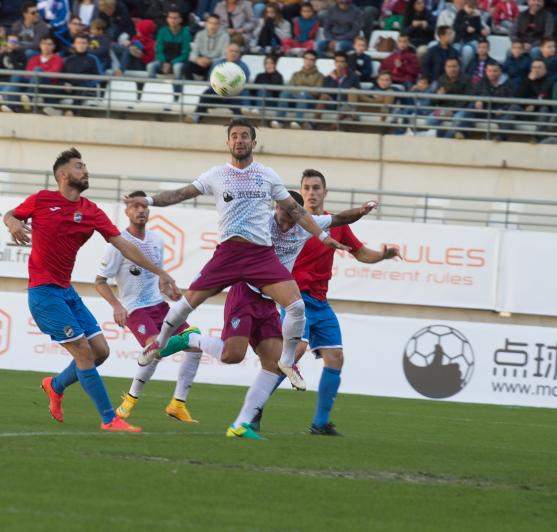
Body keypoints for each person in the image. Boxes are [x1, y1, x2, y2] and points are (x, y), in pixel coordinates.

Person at [124, 118, 351, 391]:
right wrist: (148, 201)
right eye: (234, 135)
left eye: (245, 135)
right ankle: (159, 344)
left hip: (260, 254)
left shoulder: (267, 175)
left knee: (296, 304)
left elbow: (297, 211)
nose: (240, 140)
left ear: (253, 142)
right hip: (229, 252)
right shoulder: (216, 175)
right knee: (189, 302)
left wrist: (324, 237)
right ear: (228, 142)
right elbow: (180, 194)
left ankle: (288, 362)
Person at [165, 190, 380, 438]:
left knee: (273, 364)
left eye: (291, 217)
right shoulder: (260, 221)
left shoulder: (305, 224)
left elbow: (341, 218)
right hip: (245, 292)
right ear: (275, 208)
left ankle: (241, 425)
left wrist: (361, 211)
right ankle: (191, 339)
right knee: (232, 355)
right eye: (281, 212)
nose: (285, 222)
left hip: (270, 300)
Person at [3, 148, 180, 433]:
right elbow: (11, 215)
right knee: (84, 352)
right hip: (44, 293)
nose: (85, 171)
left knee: (100, 351)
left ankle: (55, 385)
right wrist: (12, 222)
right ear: (62, 175)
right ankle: (109, 418)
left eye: (85, 166)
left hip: (66, 291)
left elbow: (124, 245)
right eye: (78, 166)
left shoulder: (91, 211)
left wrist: (160, 271)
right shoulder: (41, 200)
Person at [261, 169, 400, 436]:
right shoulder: (292, 221)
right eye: (307, 188)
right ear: (301, 193)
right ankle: (254, 410)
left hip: (320, 302)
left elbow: (360, 253)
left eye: (316, 188)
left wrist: (382, 256)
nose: (311, 193)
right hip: (294, 298)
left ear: (325, 193)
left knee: (335, 357)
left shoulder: (335, 224)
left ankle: (320, 423)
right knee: (294, 353)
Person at [96, 191, 202, 424]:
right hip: (136, 309)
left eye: (143, 206)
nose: (141, 210)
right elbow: (100, 281)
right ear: (127, 212)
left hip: (159, 306)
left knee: (194, 346)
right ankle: (130, 401)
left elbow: (157, 277)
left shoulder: (157, 240)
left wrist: (170, 292)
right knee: (157, 348)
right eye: (135, 206)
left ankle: (177, 404)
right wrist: (116, 305)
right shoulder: (118, 243)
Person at [186, 43, 252, 123]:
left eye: (236, 52)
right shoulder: (217, 63)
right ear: (226, 52)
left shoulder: (243, 67)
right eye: (231, 51)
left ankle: (237, 118)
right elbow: (211, 80)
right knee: (206, 94)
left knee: (239, 97)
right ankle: (196, 116)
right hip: (218, 92)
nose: (233, 53)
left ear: (239, 54)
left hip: (234, 94)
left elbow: (244, 84)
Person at [273, 48, 324, 129]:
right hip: (295, 99)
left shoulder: (320, 76)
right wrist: (304, 89)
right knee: (285, 92)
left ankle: (298, 122)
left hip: (310, 102)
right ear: (303, 60)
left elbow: (316, 92)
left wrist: (301, 89)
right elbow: (290, 88)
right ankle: (280, 121)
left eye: (311, 59)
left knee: (303, 93)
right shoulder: (296, 74)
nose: (308, 61)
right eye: (306, 59)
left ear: (315, 61)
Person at [426, 56, 473, 137]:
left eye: (454, 66)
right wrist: (438, 96)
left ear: (459, 67)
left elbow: (466, 100)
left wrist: (452, 111)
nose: (452, 69)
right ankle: (441, 136)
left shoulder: (467, 79)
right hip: (444, 110)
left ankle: (446, 139)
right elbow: (433, 102)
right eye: (449, 66)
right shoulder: (441, 79)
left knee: (458, 120)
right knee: (430, 120)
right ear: (445, 68)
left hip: (460, 110)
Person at [183, 14, 228, 80]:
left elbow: (224, 57)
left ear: (219, 25)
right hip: (200, 60)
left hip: (214, 63)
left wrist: (211, 61)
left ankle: (207, 89)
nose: (212, 26)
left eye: (215, 24)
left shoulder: (225, 36)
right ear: (206, 24)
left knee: (214, 68)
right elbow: (194, 52)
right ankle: (191, 86)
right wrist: (197, 59)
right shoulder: (200, 34)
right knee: (186, 67)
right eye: (210, 23)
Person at [149, 8, 191, 79]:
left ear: (180, 19)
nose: (172, 20)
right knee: (150, 66)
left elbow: (185, 53)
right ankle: (152, 88)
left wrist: (171, 63)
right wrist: (164, 62)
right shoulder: (162, 31)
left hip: (179, 62)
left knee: (177, 67)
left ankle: (177, 90)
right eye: (170, 17)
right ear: (167, 19)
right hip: (163, 61)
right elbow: (159, 50)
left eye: (175, 18)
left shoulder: (185, 33)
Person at [453, 0, 489, 68]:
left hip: (471, 40)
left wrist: (482, 30)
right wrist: (466, 28)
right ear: (464, 6)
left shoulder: (476, 16)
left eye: (472, 8)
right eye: (468, 7)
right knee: (455, 50)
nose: (470, 10)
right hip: (459, 40)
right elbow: (455, 27)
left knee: (467, 51)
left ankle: (464, 71)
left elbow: (479, 27)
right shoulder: (460, 14)